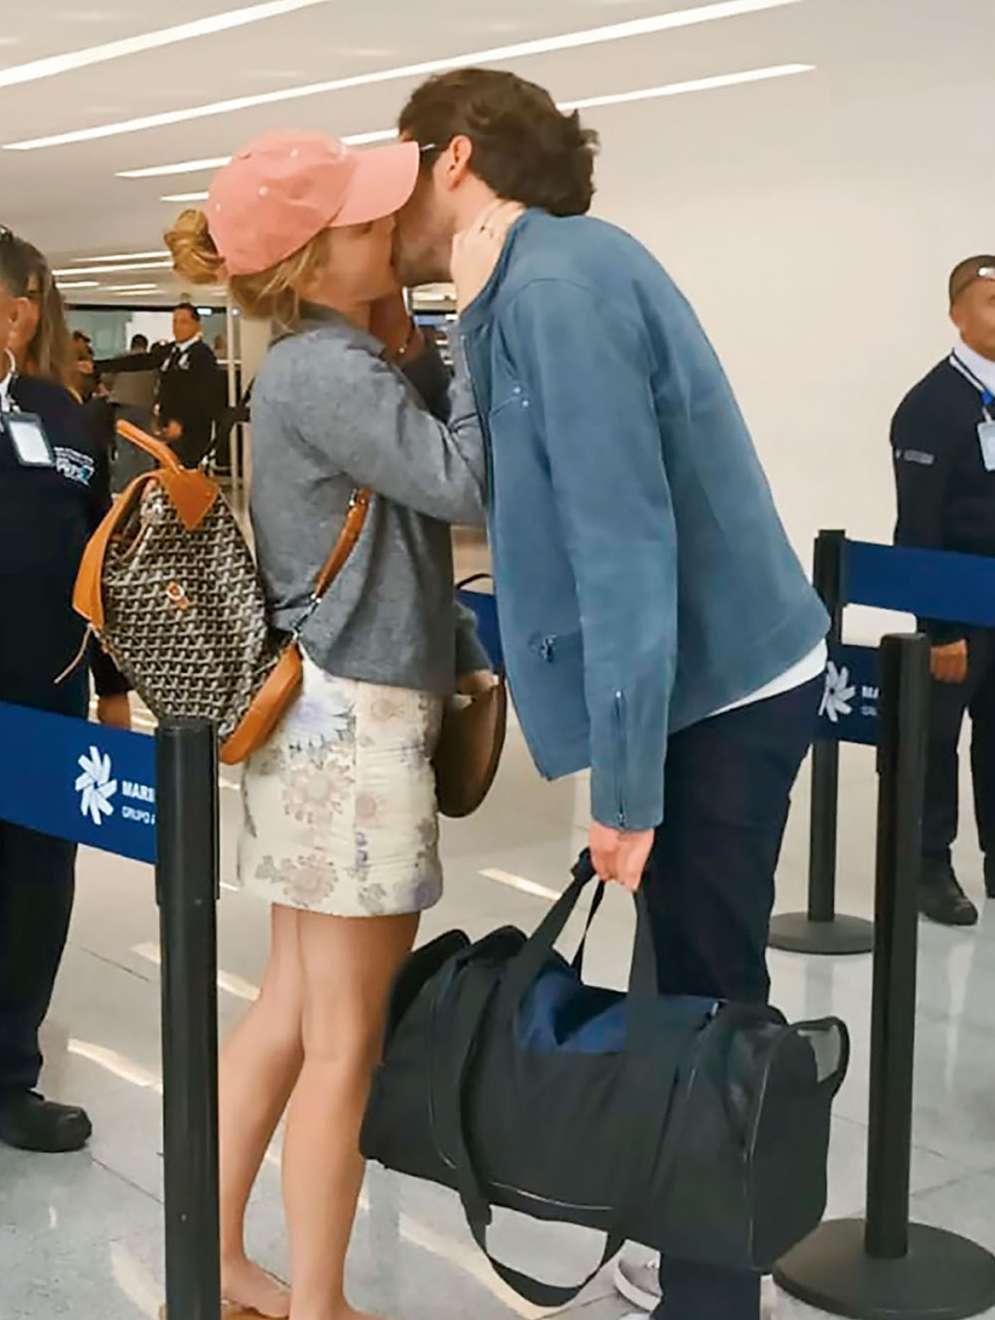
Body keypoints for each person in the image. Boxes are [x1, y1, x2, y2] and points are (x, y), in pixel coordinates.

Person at [392, 68, 829, 1320]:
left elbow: (622, 546)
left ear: (455, 158)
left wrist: (625, 790)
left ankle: (712, 1287)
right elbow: (517, 481)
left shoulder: (557, 291)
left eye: (401, 161)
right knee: (680, 977)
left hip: (718, 693)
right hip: (706, 677)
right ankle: (681, 1234)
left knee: (706, 992)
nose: (390, 196)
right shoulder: (532, 280)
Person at [165, 130, 489, 1320]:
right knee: (348, 1037)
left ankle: (215, 1261)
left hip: (317, 715)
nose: (392, 230)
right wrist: (475, 325)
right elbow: (468, 483)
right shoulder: (328, 371)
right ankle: (318, 1303)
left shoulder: (320, 358)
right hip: (355, 725)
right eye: (365, 222)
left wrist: (411, 339)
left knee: (296, 1011)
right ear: (309, 259)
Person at [0, 227, 131, 1154]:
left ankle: (11, 1075)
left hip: (47, 696)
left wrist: (114, 687)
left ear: (17, 315)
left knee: (37, 884)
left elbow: (102, 558)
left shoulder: (63, 416)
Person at [889, 256, 995, 927]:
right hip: (958, 610)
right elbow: (918, 525)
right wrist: (939, 626)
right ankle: (928, 865)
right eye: (990, 301)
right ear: (957, 314)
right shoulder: (932, 406)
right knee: (936, 740)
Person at [97, 304, 222, 467]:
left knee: (183, 470)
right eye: (175, 321)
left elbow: (203, 394)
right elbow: (139, 361)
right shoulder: (170, 352)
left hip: (191, 429)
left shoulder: (202, 355)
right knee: (164, 468)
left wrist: (181, 421)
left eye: (183, 322)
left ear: (196, 325)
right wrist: (98, 366)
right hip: (166, 425)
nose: (177, 327)